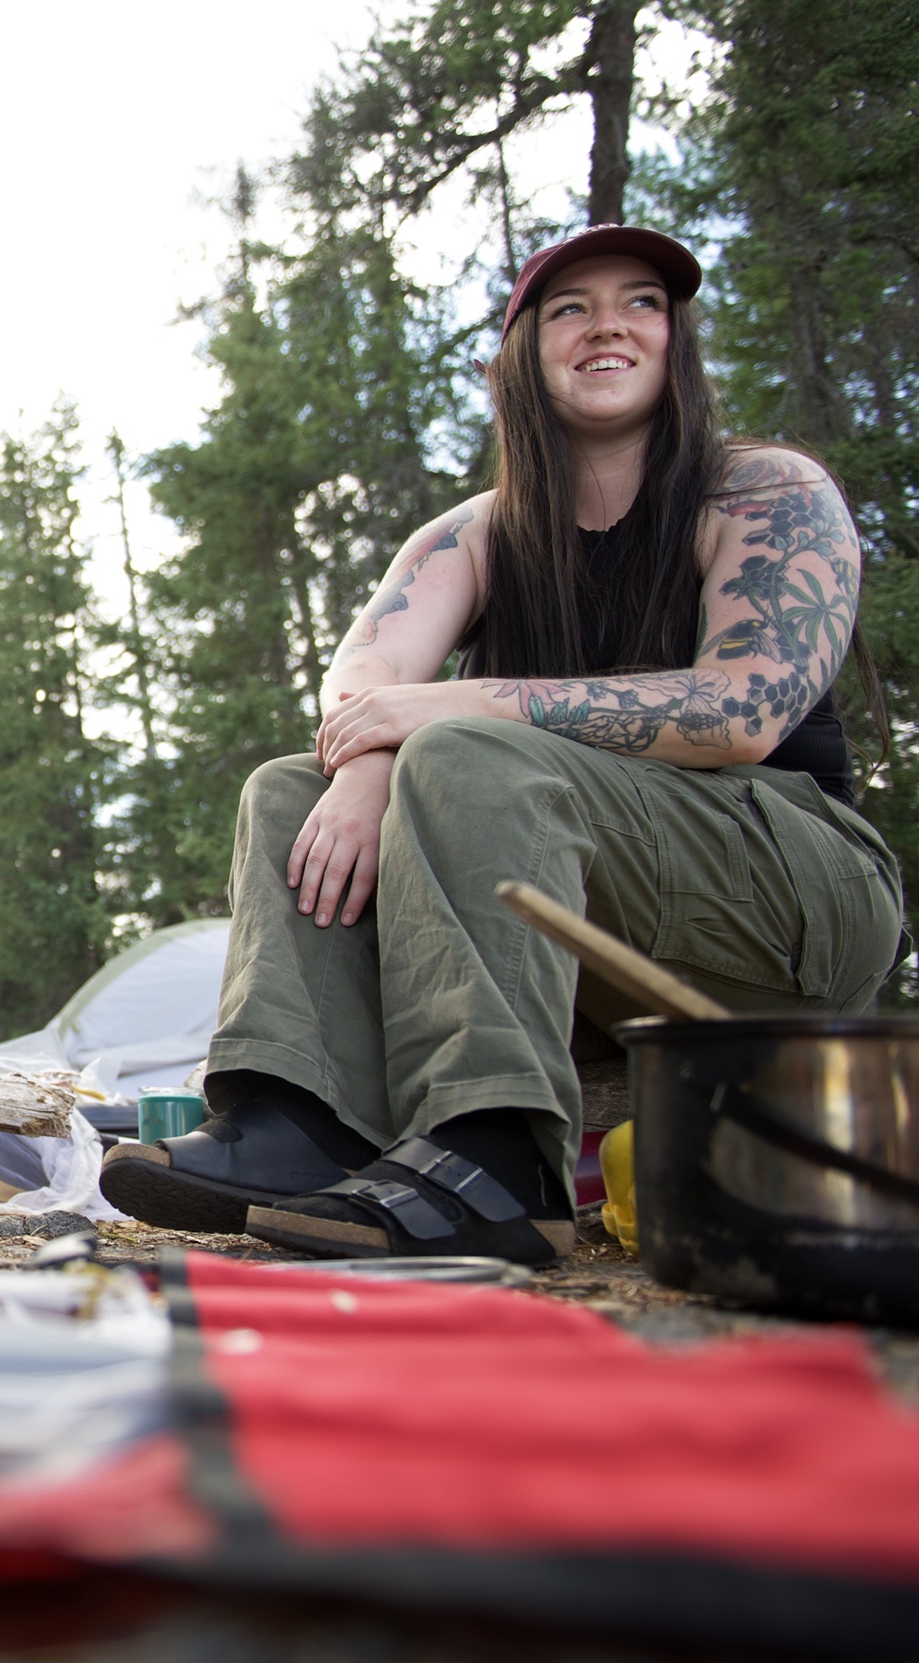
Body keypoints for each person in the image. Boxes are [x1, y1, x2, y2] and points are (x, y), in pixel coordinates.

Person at [101, 224, 902, 1265]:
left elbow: (739, 711)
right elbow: (363, 681)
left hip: (790, 901)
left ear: (674, 341)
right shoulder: (472, 533)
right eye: (569, 307)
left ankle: (498, 1161)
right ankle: (304, 1120)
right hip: (584, 936)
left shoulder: (762, 491)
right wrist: (373, 759)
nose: (607, 323)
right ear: (518, 354)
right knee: (296, 788)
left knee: (466, 750)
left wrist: (442, 716)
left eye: (640, 302)